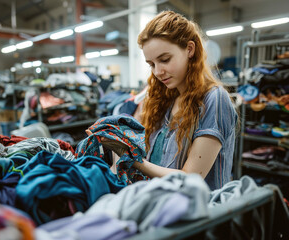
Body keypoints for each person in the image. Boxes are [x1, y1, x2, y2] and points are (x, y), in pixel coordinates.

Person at [88, 10, 238, 190]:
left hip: (202, 213)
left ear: (190, 49)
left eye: (165, 60)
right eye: (151, 64)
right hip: (162, 204)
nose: (158, 72)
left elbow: (191, 179)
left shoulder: (214, 99)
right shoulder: (166, 99)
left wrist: (131, 158)